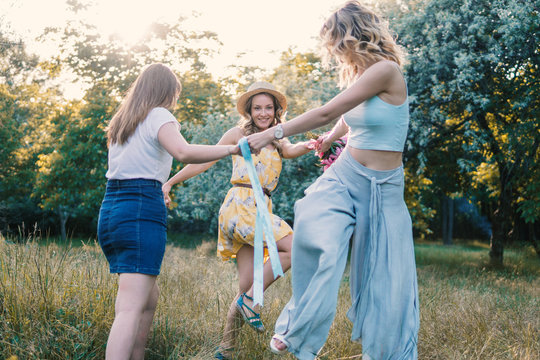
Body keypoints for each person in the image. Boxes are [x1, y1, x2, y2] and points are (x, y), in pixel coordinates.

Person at [246, 2, 420, 359]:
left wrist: (272, 133)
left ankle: (387, 353)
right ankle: (296, 330)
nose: (335, 52)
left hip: (383, 189)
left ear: (353, 37)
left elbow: (329, 110)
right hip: (345, 176)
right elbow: (347, 117)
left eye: (337, 43)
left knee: (385, 279)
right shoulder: (361, 76)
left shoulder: (386, 70)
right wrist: (330, 138)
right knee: (312, 231)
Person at [161, 81, 315, 359]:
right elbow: (203, 161)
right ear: (249, 110)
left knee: (246, 286)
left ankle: (225, 349)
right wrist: (170, 182)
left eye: (269, 107)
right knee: (295, 247)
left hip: (261, 207)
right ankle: (249, 303)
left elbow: (291, 151)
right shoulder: (237, 133)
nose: (264, 113)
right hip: (241, 205)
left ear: (276, 110)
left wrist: (314, 143)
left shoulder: (278, 136)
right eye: (258, 108)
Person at [97, 63, 238, 360]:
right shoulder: (159, 115)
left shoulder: (124, 121)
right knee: (129, 309)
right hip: (139, 209)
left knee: (147, 301)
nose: (175, 99)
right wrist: (231, 149)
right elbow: (184, 152)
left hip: (113, 210)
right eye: (176, 92)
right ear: (167, 91)